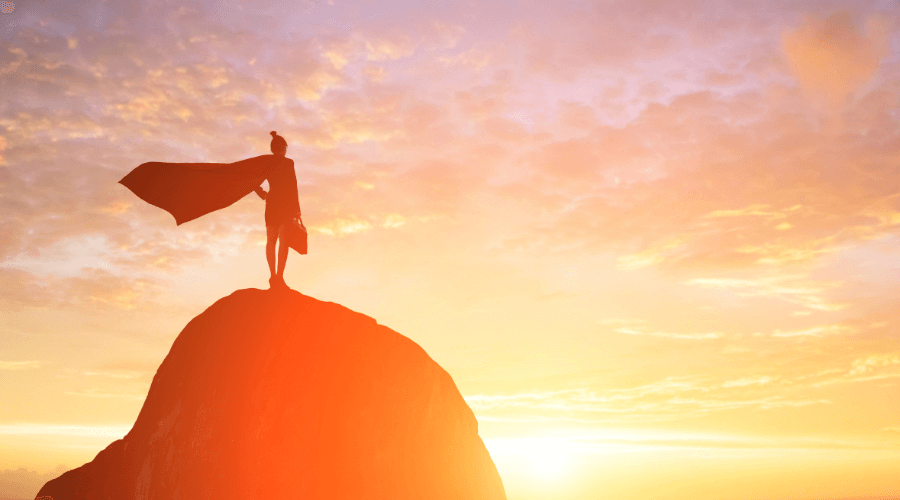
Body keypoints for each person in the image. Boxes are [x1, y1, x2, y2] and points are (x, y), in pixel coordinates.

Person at [254, 131, 300, 290]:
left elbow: (253, 180)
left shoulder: (267, 162)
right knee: (283, 241)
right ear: (283, 148)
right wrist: (297, 210)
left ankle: (273, 276)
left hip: (272, 202)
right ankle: (279, 276)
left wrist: (262, 194)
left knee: (271, 241)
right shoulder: (288, 163)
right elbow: (293, 187)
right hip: (285, 204)